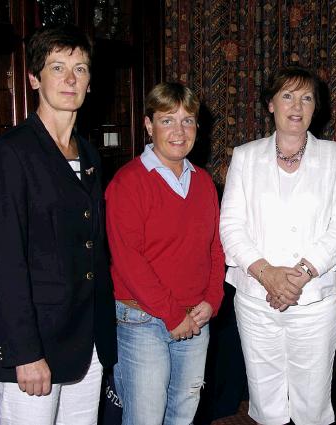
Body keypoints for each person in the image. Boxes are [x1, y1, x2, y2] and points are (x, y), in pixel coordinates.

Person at [0, 25, 117, 424]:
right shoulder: (11, 153)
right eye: (58, 67)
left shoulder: (89, 154)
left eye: (81, 68)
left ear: (91, 82)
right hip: (35, 345)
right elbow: (4, 264)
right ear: (35, 78)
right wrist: (26, 352)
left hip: (86, 340)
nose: (70, 79)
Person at [219, 65, 336, 425]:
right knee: (265, 401)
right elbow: (231, 226)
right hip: (254, 298)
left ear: (316, 107)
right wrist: (268, 276)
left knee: (312, 404)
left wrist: (299, 275)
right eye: (287, 96)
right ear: (270, 104)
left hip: (314, 300)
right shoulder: (245, 156)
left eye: (306, 97)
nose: (297, 105)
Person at [105, 82, 225, 425]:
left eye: (187, 120)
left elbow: (215, 249)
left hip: (196, 318)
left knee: (183, 416)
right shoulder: (128, 182)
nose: (178, 130)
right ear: (148, 124)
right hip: (143, 319)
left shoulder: (203, 182)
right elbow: (129, 260)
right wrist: (173, 315)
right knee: (145, 418)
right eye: (167, 120)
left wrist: (212, 300)